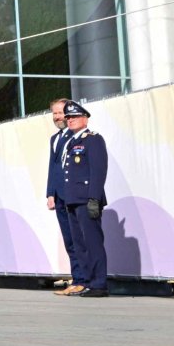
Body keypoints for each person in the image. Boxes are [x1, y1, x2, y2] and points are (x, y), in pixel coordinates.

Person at [58, 100, 109, 297]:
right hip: (72, 200)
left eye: (74, 117)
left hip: (87, 200)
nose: (70, 120)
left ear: (85, 118)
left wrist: (94, 199)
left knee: (93, 243)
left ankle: (99, 284)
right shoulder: (70, 142)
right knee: (79, 244)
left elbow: (98, 171)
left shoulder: (93, 140)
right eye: (68, 117)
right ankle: (87, 281)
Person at [44, 98, 79, 291]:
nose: (58, 117)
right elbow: (53, 167)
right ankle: (77, 278)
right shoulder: (55, 139)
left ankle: (84, 279)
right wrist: (50, 193)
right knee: (68, 240)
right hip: (59, 196)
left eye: (61, 113)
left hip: (73, 195)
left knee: (78, 239)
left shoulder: (76, 136)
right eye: (55, 113)